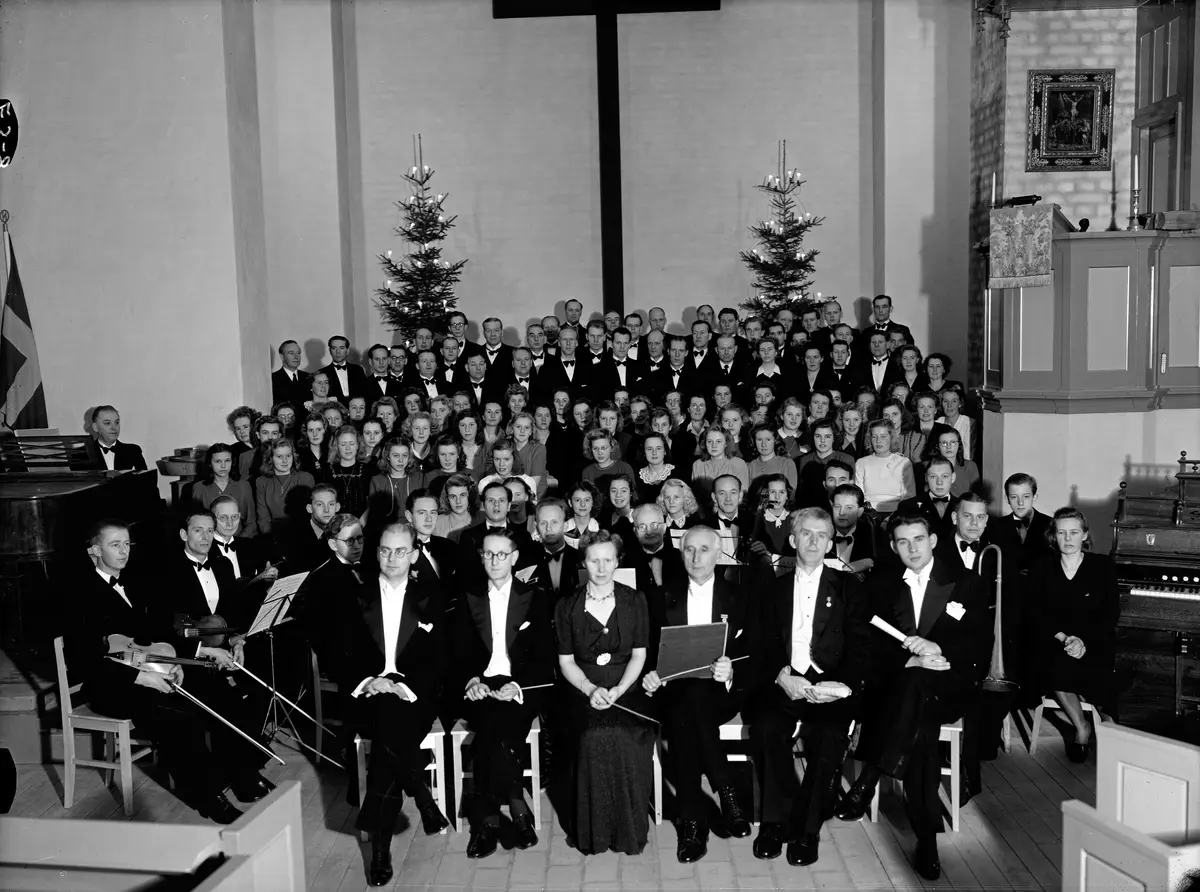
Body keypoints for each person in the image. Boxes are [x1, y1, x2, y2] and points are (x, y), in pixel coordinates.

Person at [67, 519, 268, 824]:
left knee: (215, 689)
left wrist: (193, 655)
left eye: (126, 544)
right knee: (176, 713)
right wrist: (144, 677)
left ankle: (239, 774)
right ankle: (209, 797)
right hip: (111, 683)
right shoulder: (80, 595)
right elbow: (86, 661)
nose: (124, 551)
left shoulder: (134, 582)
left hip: (149, 666)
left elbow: (158, 633)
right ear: (94, 550)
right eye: (114, 545)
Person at [834, 512, 991, 881]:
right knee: (919, 729)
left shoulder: (966, 582)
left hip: (949, 683)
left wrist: (938, 649)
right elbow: (867, 642)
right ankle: (927, 841)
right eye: (903, 542)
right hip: (900, 684)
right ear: (893, 546)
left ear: (933, 540)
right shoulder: (882, 583)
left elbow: (980, 646)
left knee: (917, 694)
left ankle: (870, 774)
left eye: (918, 539)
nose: (911, 548)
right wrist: (908, 658)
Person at [750, 508, 870, 866]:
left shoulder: (849, 586)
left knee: (829, 736)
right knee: (767, 728)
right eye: (806, 534)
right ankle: (774, 821)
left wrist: (840, 685)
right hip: (787, 678)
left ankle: (807, 829)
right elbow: (760, 643)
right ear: (792, 540)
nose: (814, 541)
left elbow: (862, 644)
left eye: (821, 535)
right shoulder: (773, 588)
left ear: (831, 543)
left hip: (830, 683)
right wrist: (780, 675)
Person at [333, 522, 449, 886]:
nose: (392, 557)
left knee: (391, 722)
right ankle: (422, 798)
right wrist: (371, 682)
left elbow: (440, 660)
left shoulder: (433, 596)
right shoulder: (355, 596)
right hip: (367, 694)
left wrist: (406, 687)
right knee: (386, 713)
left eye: (401, 551)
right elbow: (341, 657)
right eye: (385, 550)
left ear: (414, 555)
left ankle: (380, 850)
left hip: (416, 696)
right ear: (376, 552)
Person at [642, 526, 757, 863]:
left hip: (722, 692)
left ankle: (693, 823)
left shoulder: (740, 596)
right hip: (674, 691)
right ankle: (727, 791)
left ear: (719, 554)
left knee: (689, 710)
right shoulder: (662, 595)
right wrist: (652, 675)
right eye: (689, 550)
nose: (695, 557)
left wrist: (732, 668)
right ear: (681, 553)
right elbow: (649, 650)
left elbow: (753, 652)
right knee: (688, 704)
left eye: (703, 550)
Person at [452, 529, 556, 858]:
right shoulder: (467, 596)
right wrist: (470, 680)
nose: (495, 560)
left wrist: (518, 687)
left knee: (493, 733)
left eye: (502, 554)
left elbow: (545, 656)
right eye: (488, 554)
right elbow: (457, 652)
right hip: (479, 684)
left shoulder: (537, 597)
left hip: (519, 685)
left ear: (514, 558)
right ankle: (517, 807)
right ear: (481, 557)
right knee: (493, 727)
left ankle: (487, 821)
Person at [556, 530, 656, 855]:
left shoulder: (634, 600)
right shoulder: (567, 606)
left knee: (625, 734)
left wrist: (617, 689)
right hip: (581, 686)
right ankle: (593, 834)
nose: (601, 568)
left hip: (628, 685)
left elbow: (639, 655)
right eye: (594, 560)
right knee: (591, 736)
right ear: (584, 562)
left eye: (608, 560)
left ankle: (628, 832)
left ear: (617, 562)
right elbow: (566, 662)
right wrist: (590, 689)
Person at [1027, 508, 1119, 762]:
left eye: (1074, 532)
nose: (1068, 538)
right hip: (1056, 640)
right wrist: (1065, 638)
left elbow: (1110, 614)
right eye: (1062, 532)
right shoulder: (1042, 567)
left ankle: (1113, 733)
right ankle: (1082, 727)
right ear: (1053, 536)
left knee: (1103, 674)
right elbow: (1036, 612)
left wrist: (1083, 641)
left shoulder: (1102, 566)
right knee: (1056, 666)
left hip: (1094, 640)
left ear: (1084, 535)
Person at [191, 443, 258, 538]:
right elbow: (196, 522)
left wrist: (240, 542)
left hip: (239, 541)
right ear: (210, 463)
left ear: (232, 462)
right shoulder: (199, 488)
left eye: (227, 461)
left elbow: (251, 522)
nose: (223, 466)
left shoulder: (243, 486)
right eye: (218, 461)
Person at [254, 439, 315, 539]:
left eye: (288, 456)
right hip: (273, 537)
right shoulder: (262, 482)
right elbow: (263, 519)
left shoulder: (305, 478)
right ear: (270, 458)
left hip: (301, 536)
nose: (285, 461)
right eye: (279, 457)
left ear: (293, 456)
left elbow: (309, 516)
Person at [990, 472, 1053, 570]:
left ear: (1034, 497)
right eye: (1014, 497)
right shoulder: (995, 526)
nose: (1020, 502)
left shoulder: (1050, 524)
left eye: (1026, 496)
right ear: (1007, 499)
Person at [854, 419, 915, 514]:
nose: (878, 441)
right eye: (874, 437)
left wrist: (893, 517)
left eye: (883, 437)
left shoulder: (904, 463)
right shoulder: (861, 463)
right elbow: (858, 497)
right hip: (868, 514)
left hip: (896, 514)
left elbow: (908, 497)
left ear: (891, 438)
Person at [896, 456, 959, 542]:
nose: (939, 482)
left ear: (953, 477)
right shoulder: (908, 506)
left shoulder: (962, 506)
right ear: (926, 478)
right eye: (933, 477)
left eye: (944, 476)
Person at [827, 483, 876, 578]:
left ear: (859, 511)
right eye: (837, 507)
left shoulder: (873, 533)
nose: (841, 513)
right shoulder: (820, 532)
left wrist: (868, 562)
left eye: (849, 508)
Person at [325, 425, 371, 518]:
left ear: (358, 445)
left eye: (352, 443)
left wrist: (360, 523)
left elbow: (372, 503)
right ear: (337, 446)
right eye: (343, 444)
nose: (348, 448)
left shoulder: (368, 470)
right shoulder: (327, 471)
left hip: (361, 525)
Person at [86, 405, 147, 471]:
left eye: (116, 422)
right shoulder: (85, 454)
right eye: (107, 423)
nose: (114, 427)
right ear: (95, 427)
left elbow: (147, 480)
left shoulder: (133, 451)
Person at [319, 335, 368, 403]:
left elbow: (365, 392)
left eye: (341, 348)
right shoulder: (322, 373)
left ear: (347, 351)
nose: (338, 352)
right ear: (330, 351)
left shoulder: (358, 370)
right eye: (334, 348)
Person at [433, 473, 477, 540]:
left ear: (470, 495)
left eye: (462, 495)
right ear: (447, 498)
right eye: (453, 496)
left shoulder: (480, 520)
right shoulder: (437, 523)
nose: (458, 501)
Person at [272, 340, 312, 409]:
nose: (296, 357)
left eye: (298, 353)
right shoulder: (273, 379)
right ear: (282, 356)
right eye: (291, 353)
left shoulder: (309, 377)